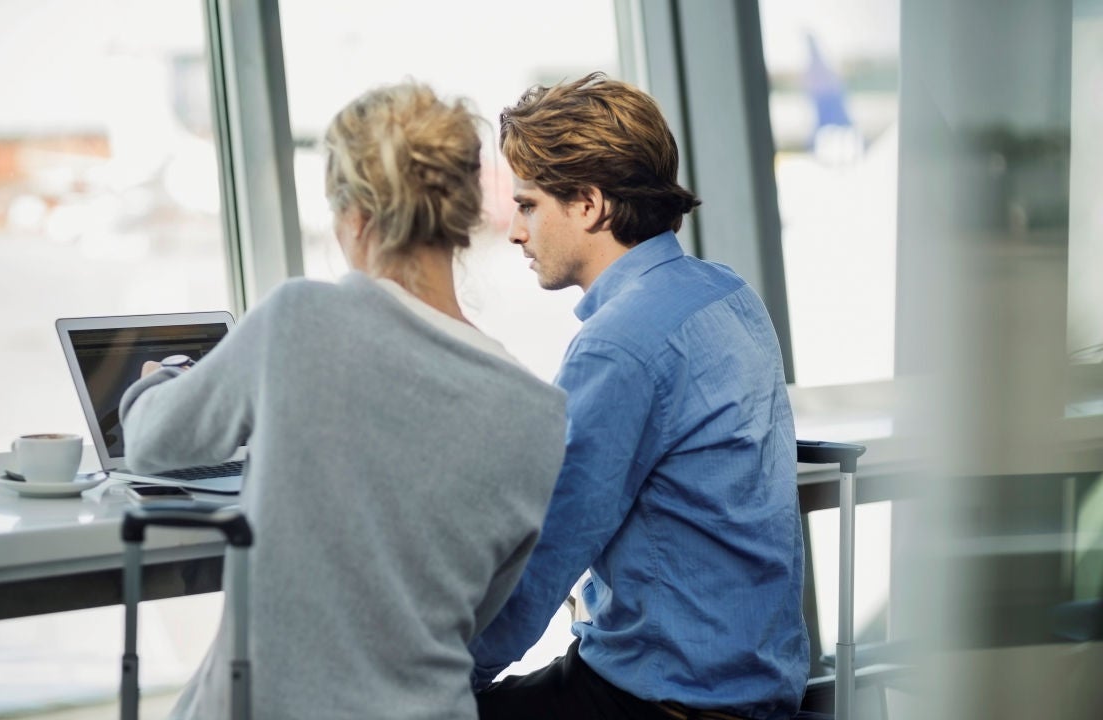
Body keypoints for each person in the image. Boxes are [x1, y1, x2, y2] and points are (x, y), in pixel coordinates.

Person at [119, 81, 567, 720]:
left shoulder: (301, 318)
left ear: (357, 220)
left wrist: (158, 380)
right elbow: (477, 610)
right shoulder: (538, 414)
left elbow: (151, 443)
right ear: (462, 219)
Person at [468, 72, 808, 720]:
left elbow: (542, 560)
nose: (515, 231)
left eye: (530, 205)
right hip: (757, 690)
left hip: (657, 702)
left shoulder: (619, 346)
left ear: (590, 205)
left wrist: (438, 676)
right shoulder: (726, 295)